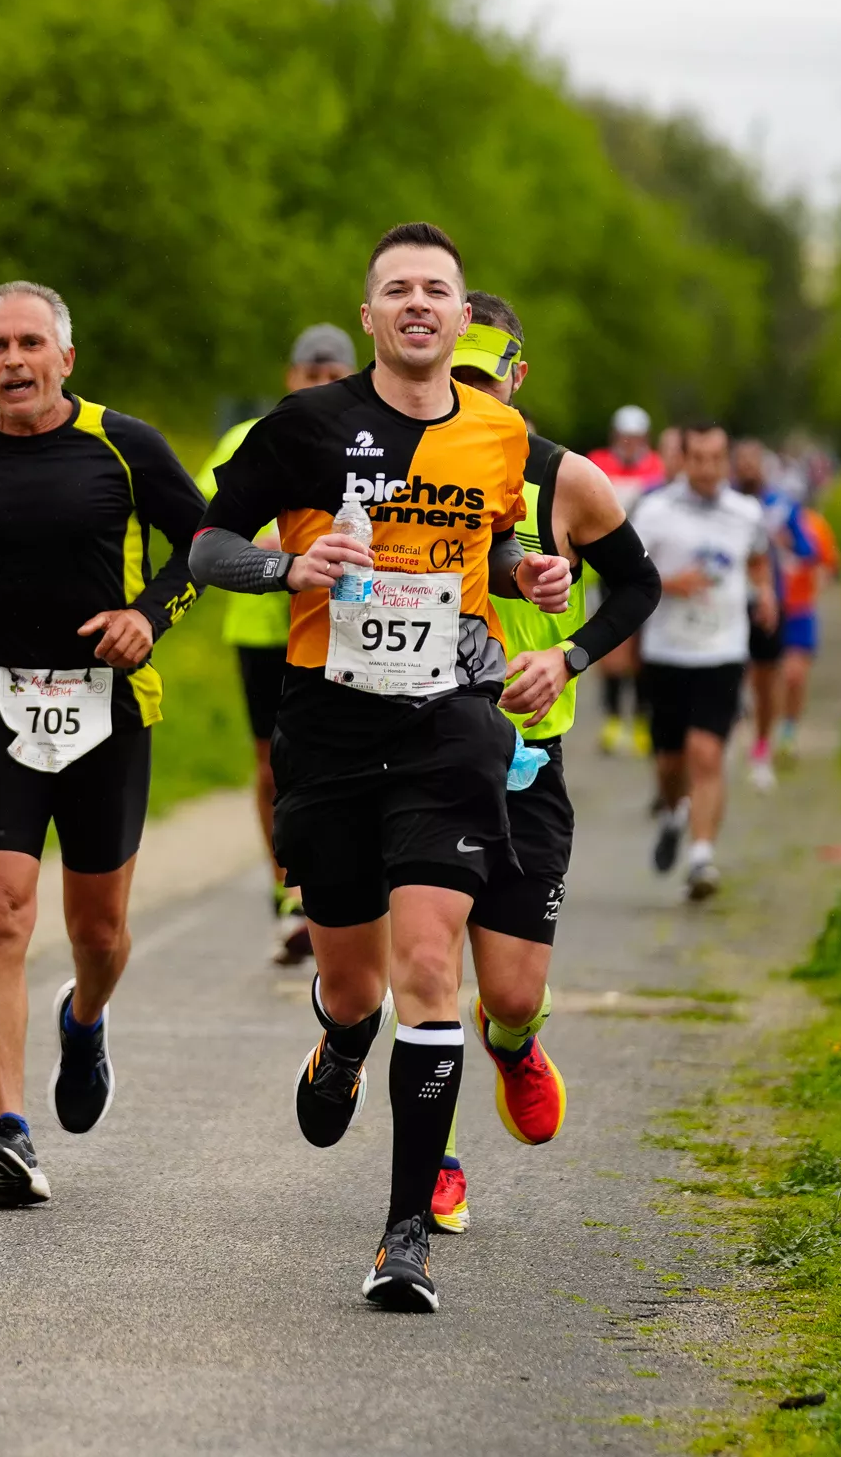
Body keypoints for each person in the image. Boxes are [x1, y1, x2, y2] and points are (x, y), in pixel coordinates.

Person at [187, 222, 570, 1313]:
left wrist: (523, 567)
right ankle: (343, 1036)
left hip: (451, 723)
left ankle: (407, 1233)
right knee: (358, 981)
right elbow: (208, 546)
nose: (417, 304)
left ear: (461, 317)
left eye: (436, 290)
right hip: (332, 722)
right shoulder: (303, 426)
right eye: (396, 289)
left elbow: (485, 543)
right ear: (370, 316)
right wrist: (286, 562)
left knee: (429, 964)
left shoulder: (500, 434)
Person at [0, 280, 205, 1209]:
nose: (14, 362)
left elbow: (201, 543)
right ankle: (9, 1132)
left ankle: (86, 1015)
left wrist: (147, 616)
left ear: (66, 358)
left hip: (109, 706)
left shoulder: (124, 443)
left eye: (32, 344)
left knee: (99, 933)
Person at [428, 295, 659, 1233]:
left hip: (528, 758)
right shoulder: (400, 462)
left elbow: (637, 585)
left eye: (487, 379)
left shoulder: (566, 480)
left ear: (517, 378)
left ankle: (515, 1041)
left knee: (511, 990)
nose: (473, 395)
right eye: (459, 379)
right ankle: (431, 1162)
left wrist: (567, 656)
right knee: (424, 964)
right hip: (424, 744)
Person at [196, 323, 358, 968]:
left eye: (332, 375)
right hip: (263, 628)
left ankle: (338, 892)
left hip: (342, 629)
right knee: (272, 765)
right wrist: (268, 554)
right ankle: (285, 887)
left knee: (337, 761)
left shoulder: (372, 433)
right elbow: (207, 527)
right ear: (291, 377)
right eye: (309, 375)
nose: (320, 386)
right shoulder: (245, 438)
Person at [631, 424, 772, 901]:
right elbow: (627, 575)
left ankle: (702, 858)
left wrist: (765, 592)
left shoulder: (746, 513)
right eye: (700, 458)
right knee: (671, 763)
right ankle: (674, 813)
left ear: (726, 459)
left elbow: (756, 559)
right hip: (667, 650)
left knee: (707, 753)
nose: (709, 468)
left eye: (717, 457)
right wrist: (672, 583)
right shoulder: (655, 511)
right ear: (683, 460)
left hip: (722, 650)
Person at [732, 438, 838, 782]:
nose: (747, 467)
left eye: (753, 461)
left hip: (785, 604)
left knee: (786, 676)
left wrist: (783, 542)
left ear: (763, 465)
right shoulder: (725, 502)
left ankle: (780, 734)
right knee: (740, 676)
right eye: (741, 461)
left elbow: (809, 551)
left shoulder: (782, 506)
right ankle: (744, 733)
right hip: (733, 604)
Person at [583, 405, 667, 759]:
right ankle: (615, 717)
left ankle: (643, 718)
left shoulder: (657, 468)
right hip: (604, 567)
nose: (630, 443)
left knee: (643, 650)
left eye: (636, 437)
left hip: (645, 565)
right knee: (611, 647)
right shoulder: (596, 462)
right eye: (624, 436)